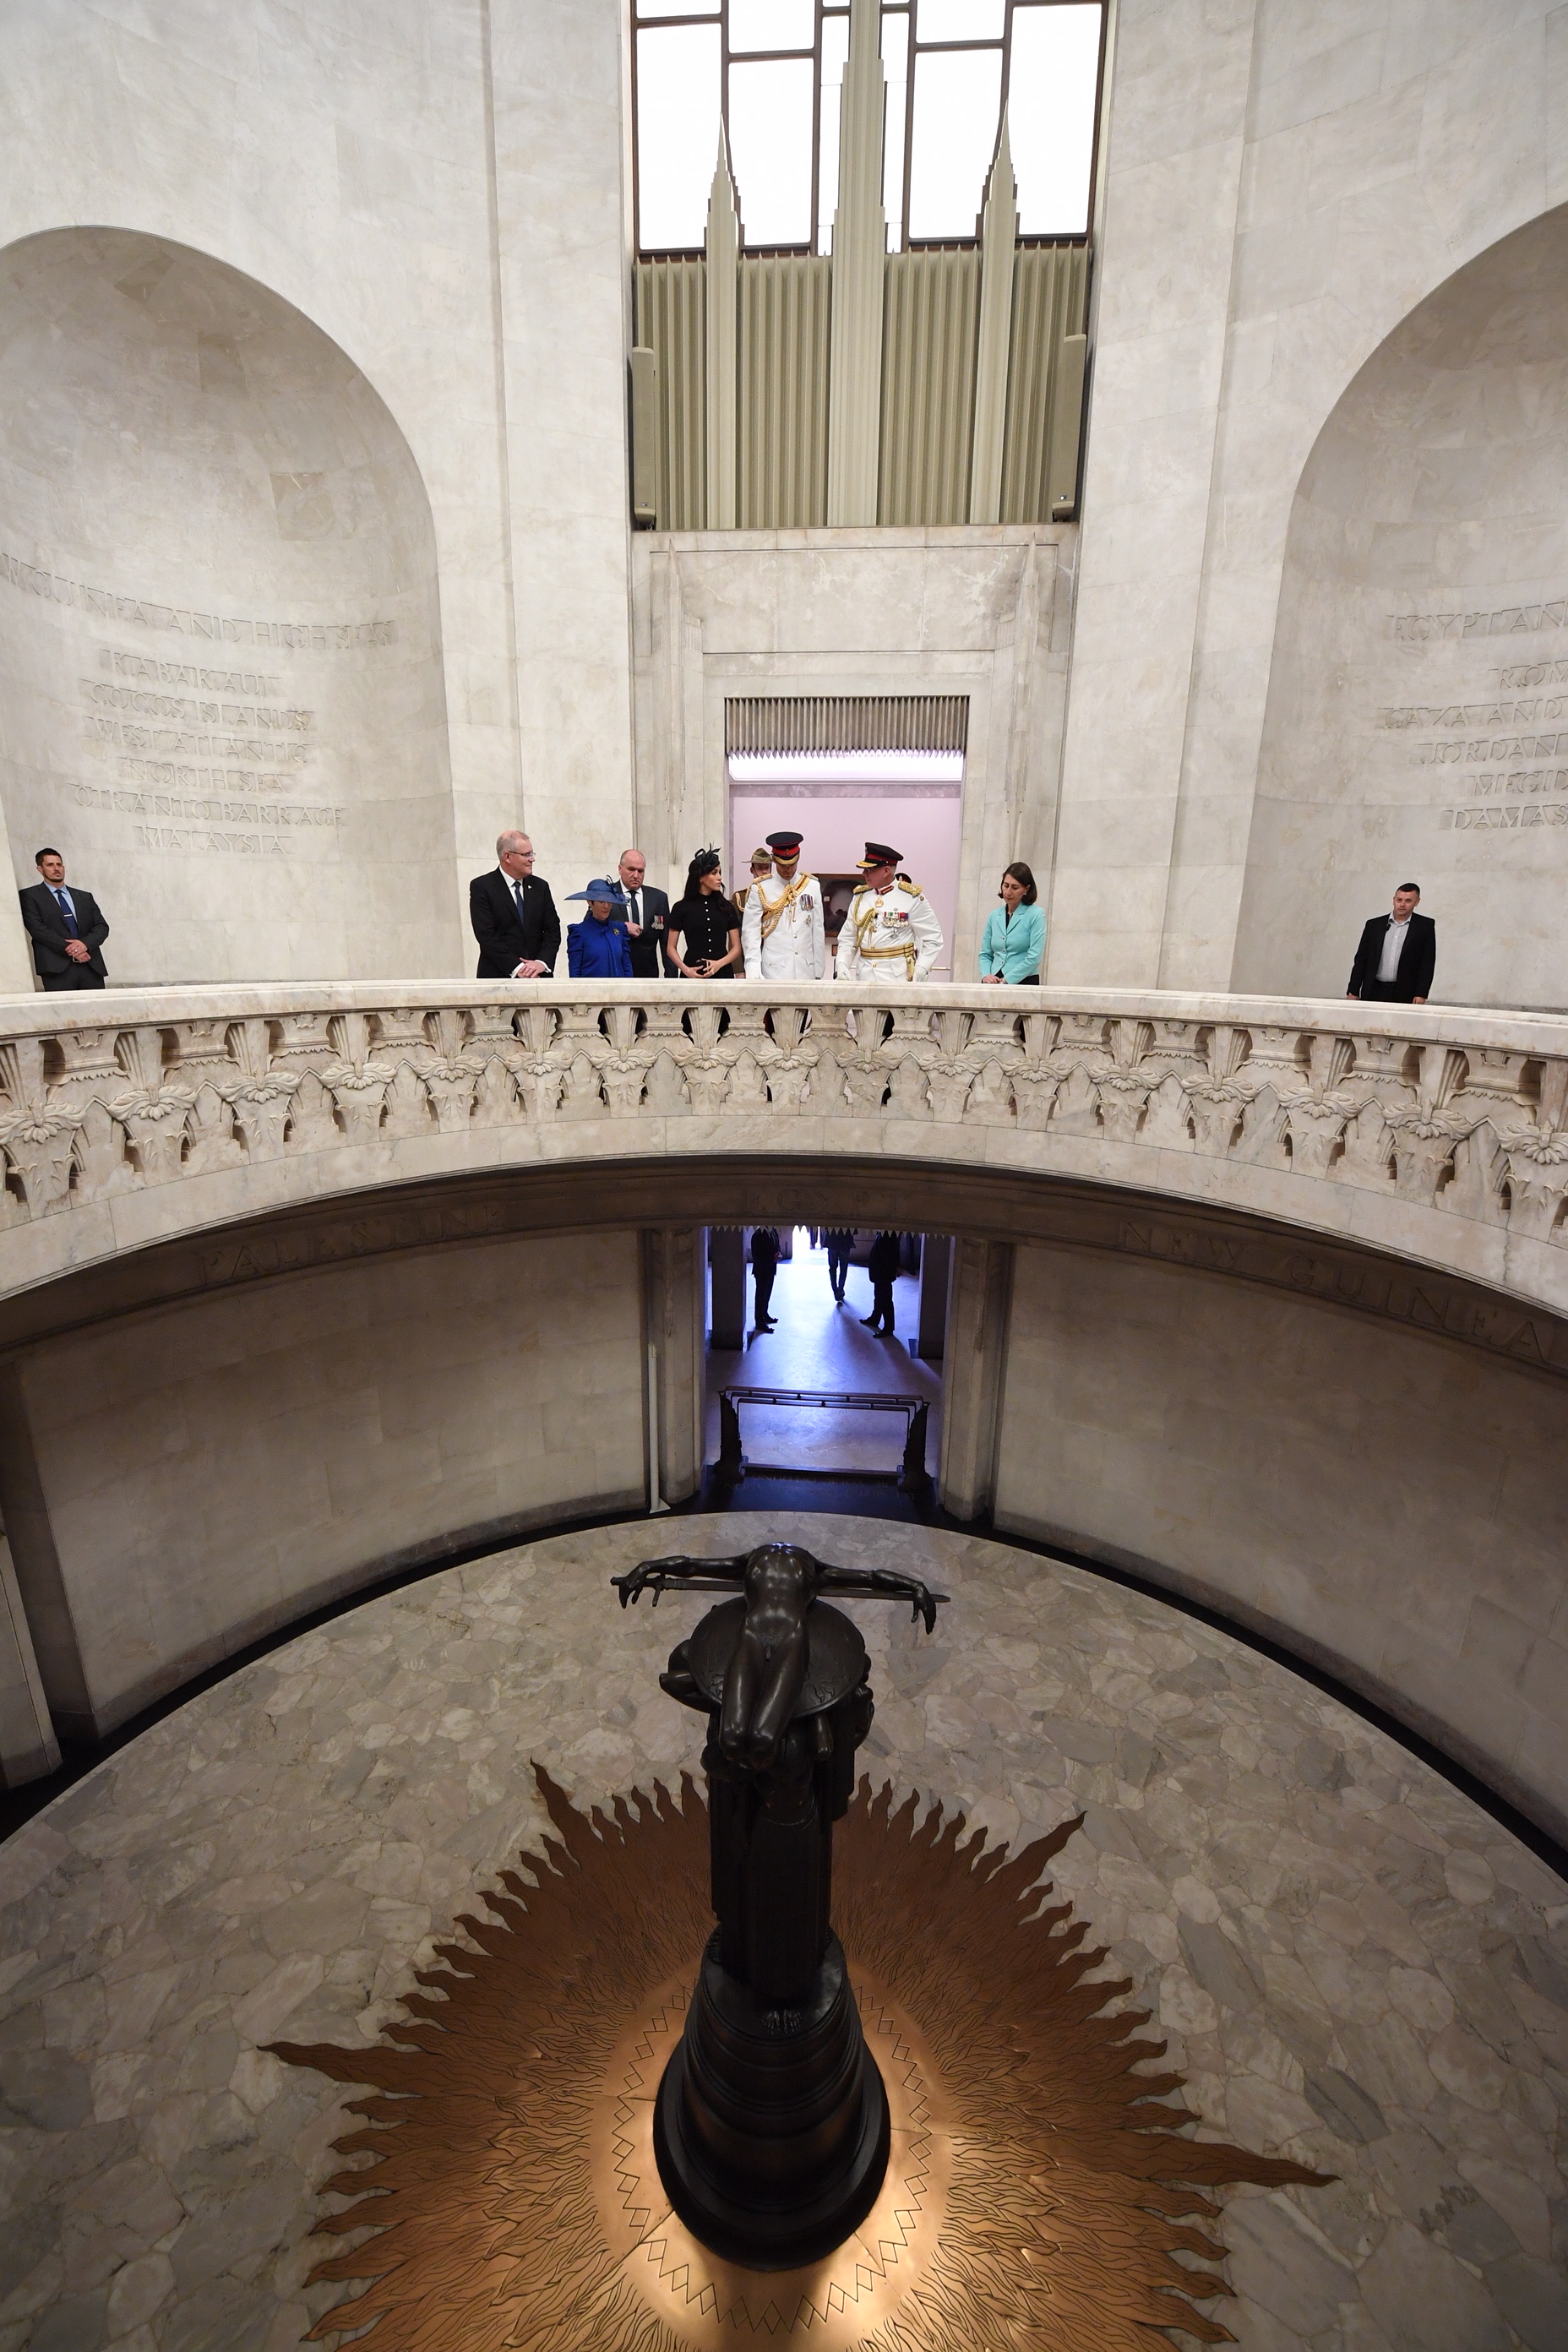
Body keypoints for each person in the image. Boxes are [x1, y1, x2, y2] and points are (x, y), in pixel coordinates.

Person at [836, 843, 943, 983]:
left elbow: (933, 939)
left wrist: (922, 968)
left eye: (869, 870)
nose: (864, 874)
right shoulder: (860, 897)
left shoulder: (911, 898)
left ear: (886, 871)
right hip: (864, 977)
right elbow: (848, 939)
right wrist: (842, 964)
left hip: (897, 979)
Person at [469, 830, 560, 979]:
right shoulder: (483, 887)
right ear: (507, 856)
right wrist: (518, 969)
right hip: (499, 978)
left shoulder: (540, 887)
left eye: (532, 854)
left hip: (539, 978)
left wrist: (540, 963)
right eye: (526, 855)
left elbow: (553, 930)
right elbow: (486, 935)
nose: (532, 859)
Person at [741, 830, 825, 982]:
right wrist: (752, 966)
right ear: (774, 860)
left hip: (806, 970)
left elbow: (817, 930)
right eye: (783, 864)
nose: (788, 869)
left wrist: (819, 968)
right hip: (774, 971)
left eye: (792, 864)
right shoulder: (760, 889)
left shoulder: (811, 886)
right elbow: (750, 932)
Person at [19, 850, 110, 992]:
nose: (56, 869)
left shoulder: (84, 897)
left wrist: (85, 944)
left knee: (99, 1012)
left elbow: (101, 927)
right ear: (40, 869)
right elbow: (38, 929)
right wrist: (74, 950)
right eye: (50, 865)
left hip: (90, 965)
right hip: (56, 968)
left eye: (59, 864)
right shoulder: (29, 896)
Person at [1347, 883, 1435, 1004]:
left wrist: (1421, 993)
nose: (1402, 904)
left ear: (1417, 902)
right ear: (1393, 900)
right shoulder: (1374, 925)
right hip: (1374, 989)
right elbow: (1361, 959)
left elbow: (1427, 963)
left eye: (1408, 901)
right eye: (1399, 900)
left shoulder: (1424, 926)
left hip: (1406, 991)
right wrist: (1353, 991)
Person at [667, 848, 743, 977]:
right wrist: (686, 970)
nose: (720, 877)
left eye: (719, 872)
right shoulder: (681, 907)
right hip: (692, 970)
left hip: (722, 971)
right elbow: (670, 948)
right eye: (714, 873)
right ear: (701, 877)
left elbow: (736, 948)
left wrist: (719, 964)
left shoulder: (727, 907)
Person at [979, 861, 1044, 984]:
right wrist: (986, 975)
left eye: (1015, 888)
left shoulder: (1036, 914)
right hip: (993, 981)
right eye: (1005, 885)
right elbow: (985, 954)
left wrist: (1007, 980)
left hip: (1024, 980)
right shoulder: (994, 915)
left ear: (1027, 889)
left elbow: (1034, 957)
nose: (1008, 892)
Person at [618, 847, 672, 980]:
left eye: (640, 871)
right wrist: (621, 927)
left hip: (648, 975)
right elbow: (592, 929)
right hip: (615, 974)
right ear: (620, 869)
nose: (636, 875)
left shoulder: (658, 898)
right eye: (631, 870)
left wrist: (671, 979)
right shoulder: (607, 895)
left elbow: (667, 943)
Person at [564, 879, 633, 978]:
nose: (606, 906)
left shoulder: (619, 929)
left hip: (619, 990)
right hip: (591, 991)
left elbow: (627, 967)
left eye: (609, 901)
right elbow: (575, 972)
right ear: (590, 902)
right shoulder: (579, 932)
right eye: (601, 902)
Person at [861, 1231, 902, 1336]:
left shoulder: (889, 1235)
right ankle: (875, 1318)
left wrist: (892, 1270)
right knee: (879, 1297)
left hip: (883, 1274)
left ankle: (888, 1328)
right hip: (881, 1273)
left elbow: (889, 1257)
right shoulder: (886, 1233)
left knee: (885, 1300)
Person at [750, 1225, 780, 1331]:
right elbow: (756, 1255)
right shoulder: (757, 1235)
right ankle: (759, 1322)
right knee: (760, 1296)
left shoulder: (773, 1232)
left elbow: (777, 1246)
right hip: (762, 1270)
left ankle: (765, 1314)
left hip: (771, 1269)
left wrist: (778, 1254)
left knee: (767, 1294)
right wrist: (772, 1257)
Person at [824, 1228, 852, 1305]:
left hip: (832, 1241)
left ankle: (835, 1290)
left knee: (832, 1268)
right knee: (843, 1268)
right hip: (845, 1241)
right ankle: (840, 1289)